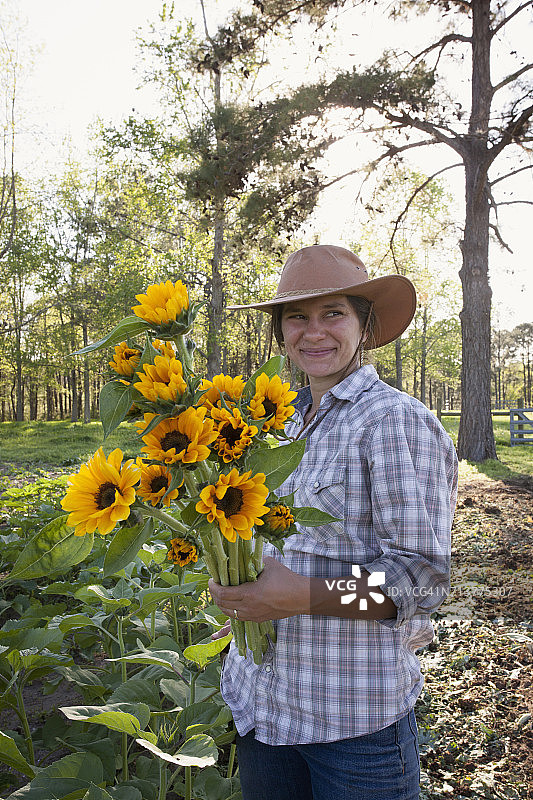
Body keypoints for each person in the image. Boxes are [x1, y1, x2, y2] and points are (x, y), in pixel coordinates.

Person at [209, 244, 458, 800]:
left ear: (364, 326)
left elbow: (421, 581)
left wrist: (302, 595)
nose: (313, 332)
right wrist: (240, 583)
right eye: (297, 316)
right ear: (279, 332)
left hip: (352, 719)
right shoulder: (280, 425)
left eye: (333, 314)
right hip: (263, 703)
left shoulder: (393, 422)